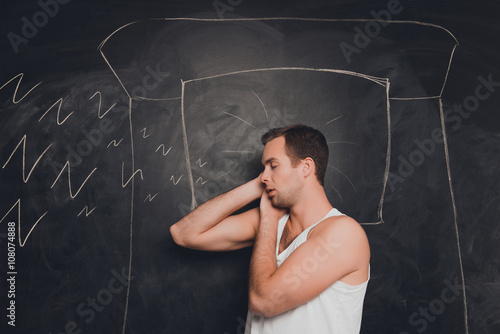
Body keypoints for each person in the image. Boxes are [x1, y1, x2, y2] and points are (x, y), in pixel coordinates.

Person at [170, 124, 370, 333]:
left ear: (306, 167)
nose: (264, 175)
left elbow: (263, 302)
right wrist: (258, 186)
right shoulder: (275, 219)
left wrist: (267, 219)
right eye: (263, 168)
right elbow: (183, 233)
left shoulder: (344, 233)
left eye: (273, 166)